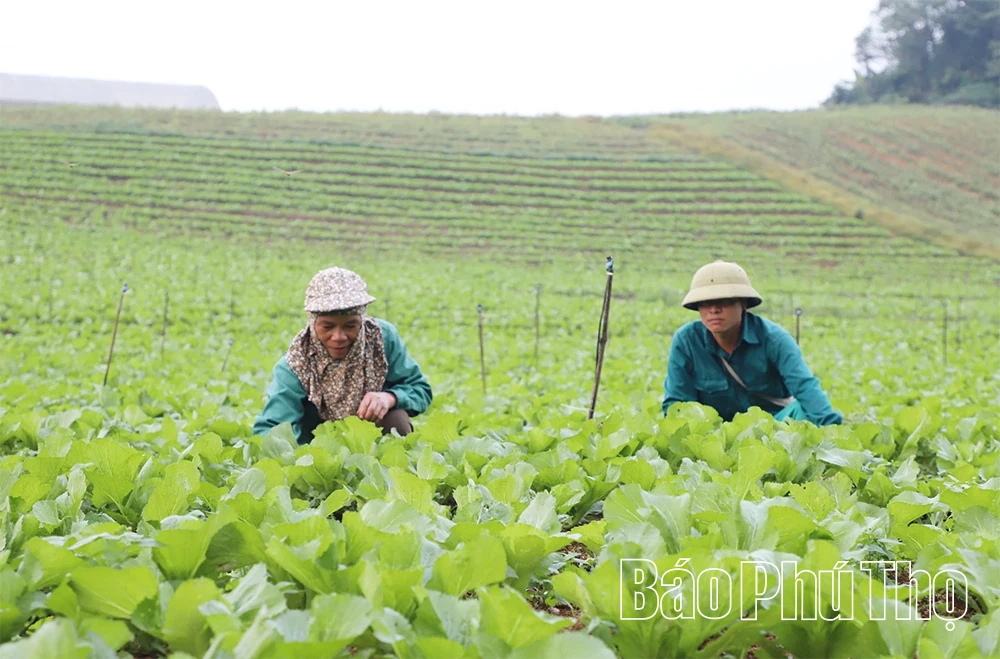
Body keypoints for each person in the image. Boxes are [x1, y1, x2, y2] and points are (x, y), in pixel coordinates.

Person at [253, 267, 432, 443]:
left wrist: (390, 397)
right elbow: (271, 428)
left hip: (370, 441)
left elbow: (420, 389)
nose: (339, 337)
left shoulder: (381, 340)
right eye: (327, 327)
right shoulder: (296, 363)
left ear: (361, 321)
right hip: (316, 450)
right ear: (313, 324)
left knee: (397, 420)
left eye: (350, 326)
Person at [662, 260, 842, 426]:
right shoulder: (686, 341)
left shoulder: (775, 340)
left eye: (724, 301)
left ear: (743, 303)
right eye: (705, 303)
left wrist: (834, 431)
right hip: (714, 436)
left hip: (775, 430)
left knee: (806, 413)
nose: (714, 310)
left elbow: (805, 387)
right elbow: (677, 404)